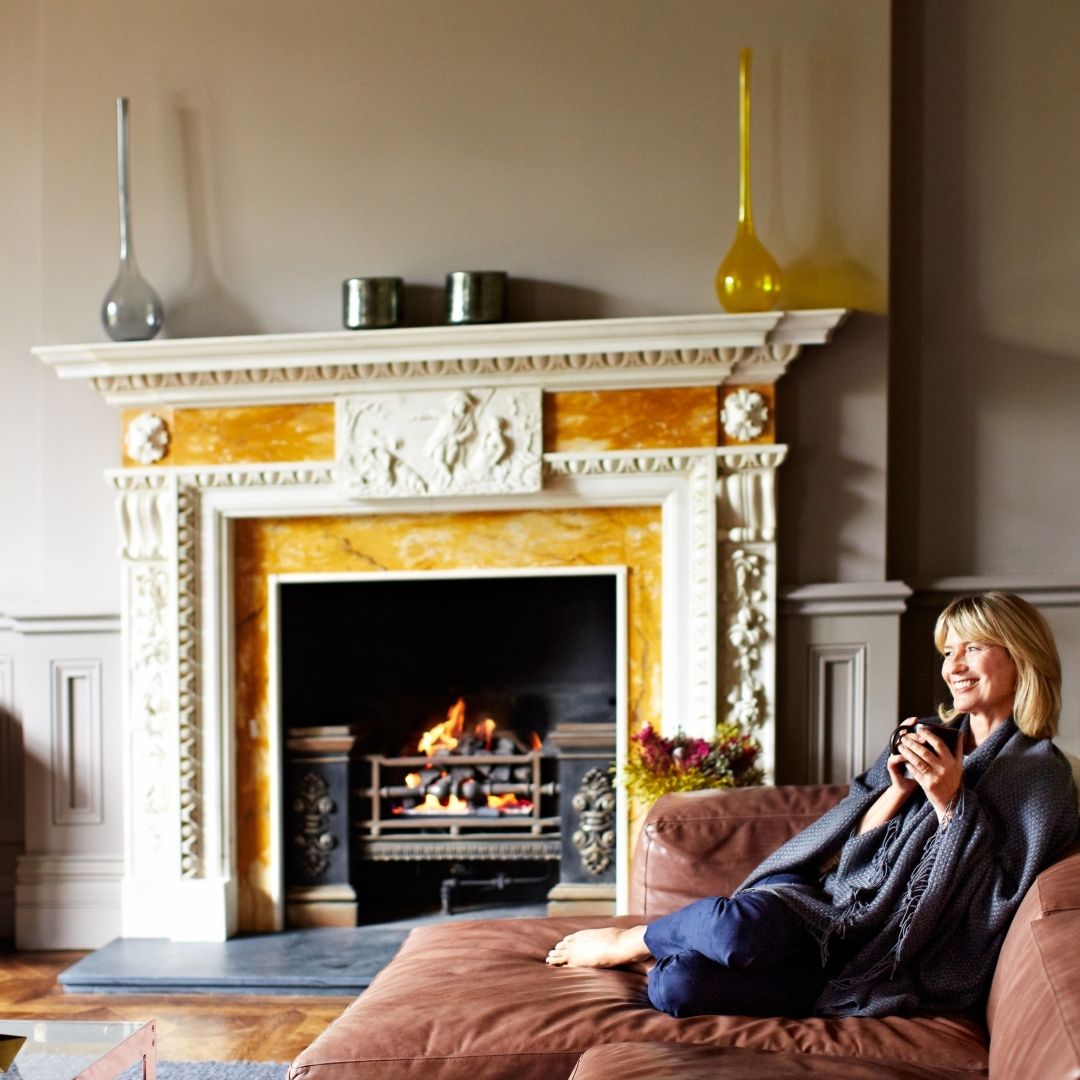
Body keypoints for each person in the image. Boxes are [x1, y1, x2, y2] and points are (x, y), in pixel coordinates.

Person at [546, 592, 1079, 1018]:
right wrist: (897, 791)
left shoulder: (1040, 776)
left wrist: (950, 806)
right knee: (735, 929)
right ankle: (632, 939)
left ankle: (671, 947)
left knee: (680, 987)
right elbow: (848, 845)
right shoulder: (929, 736)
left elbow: (994, 906)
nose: (953, 666)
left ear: (1020, 655)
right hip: (819, 911)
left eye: (972, 648)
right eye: (947, 651)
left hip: (872, 958)